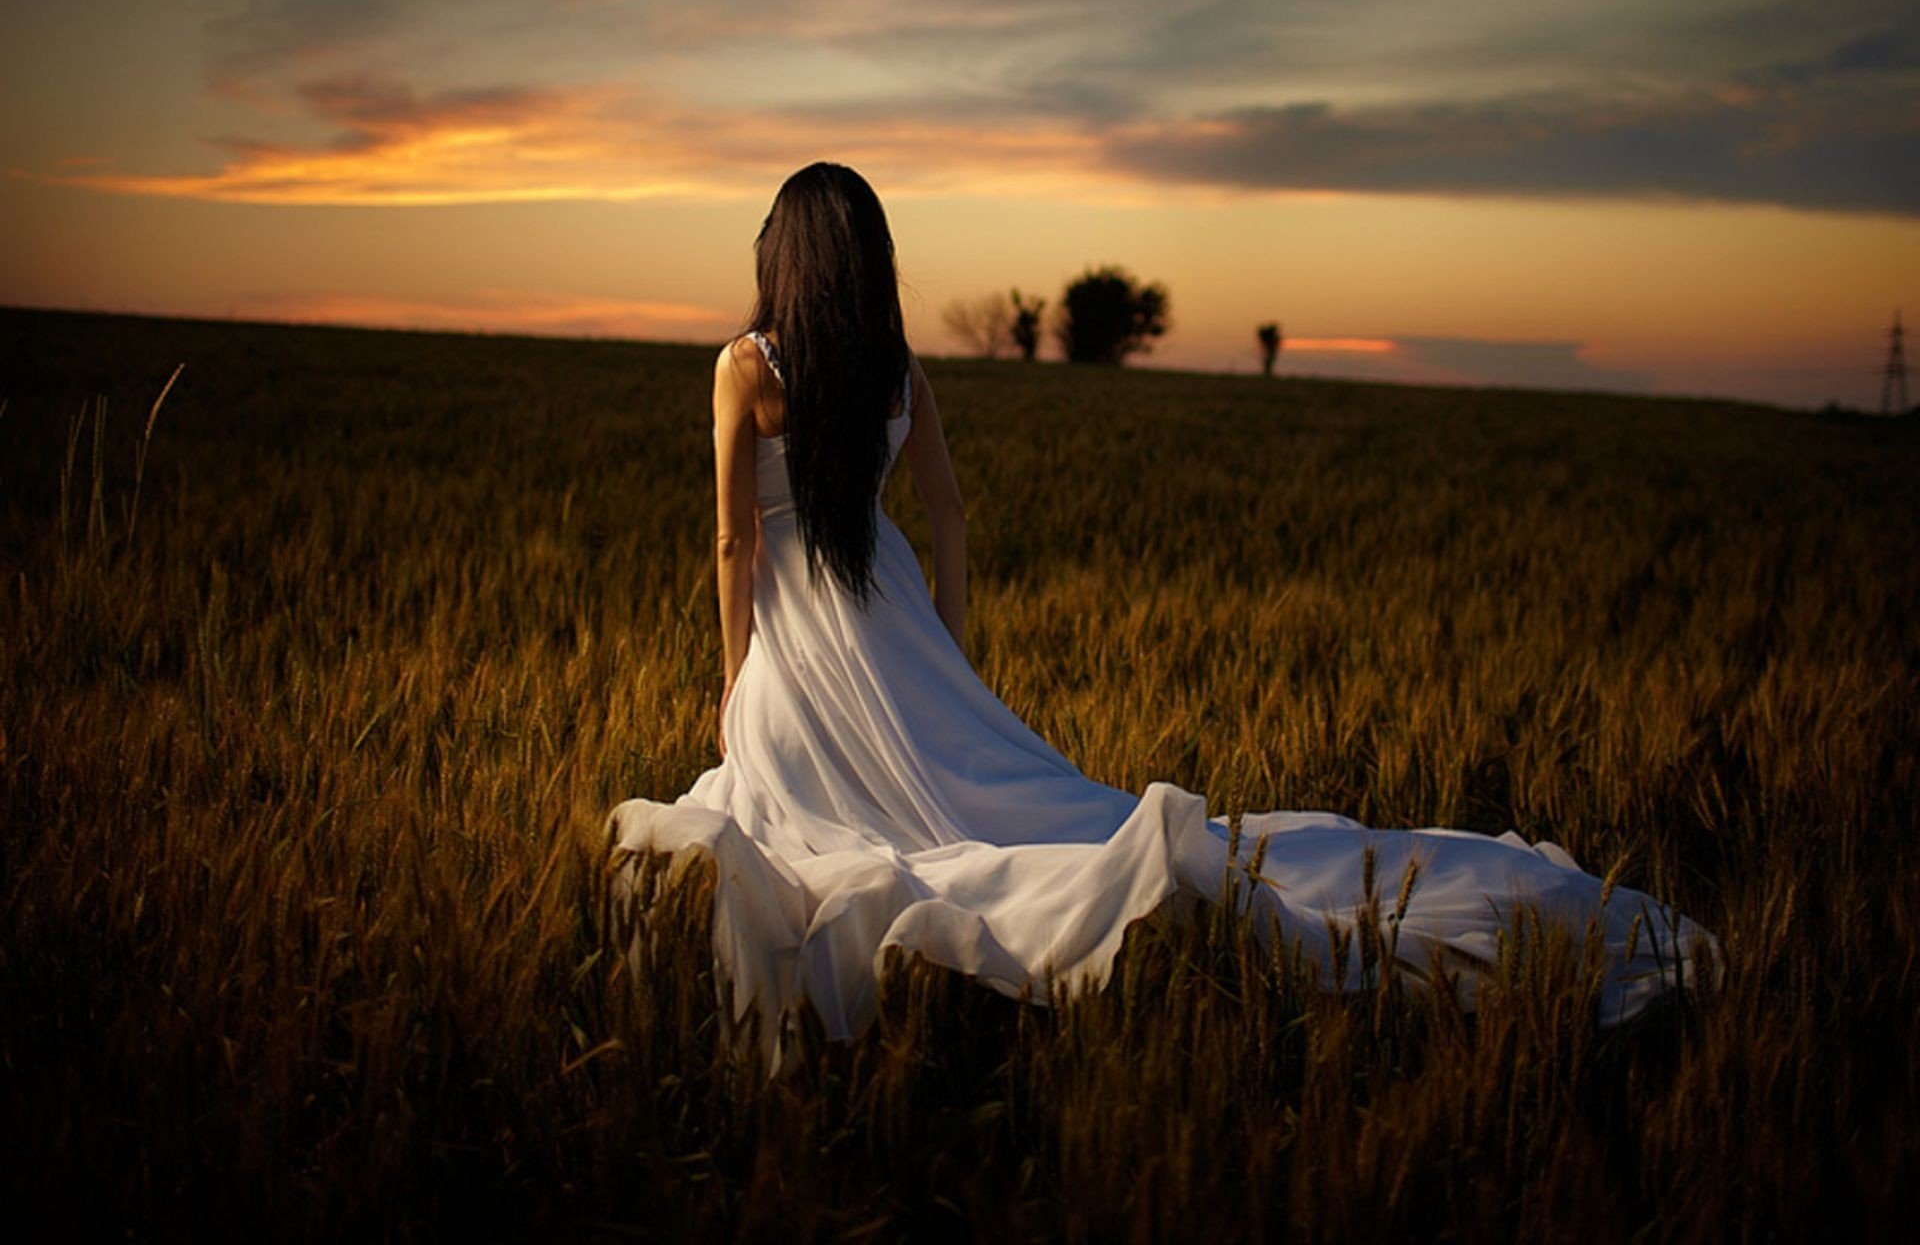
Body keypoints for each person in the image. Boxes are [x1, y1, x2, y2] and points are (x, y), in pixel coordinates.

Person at [608, 162, 1722, 1070]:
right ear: (870, 262)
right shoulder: (897, 373)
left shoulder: (742, 368)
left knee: (829, 828)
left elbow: (734, 540)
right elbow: (945, 514)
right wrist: (944, 645)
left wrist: (735, 670)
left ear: (782, 258)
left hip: (801, 641)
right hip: (894, 613)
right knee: (1001, 811)